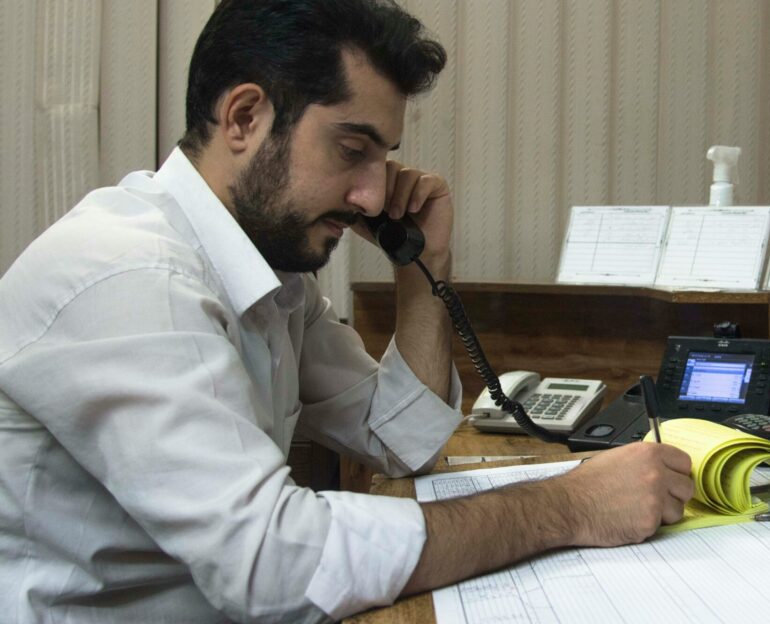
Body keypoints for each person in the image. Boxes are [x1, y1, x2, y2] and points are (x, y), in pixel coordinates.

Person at [0, 0, 694, 621]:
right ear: (245, 117)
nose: (371, 195)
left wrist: (423, 268)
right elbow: (274, 565)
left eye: (383, 159)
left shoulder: (266, 272)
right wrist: (567, 506)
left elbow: (400, 438)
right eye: (352, 150)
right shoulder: (130, 274)